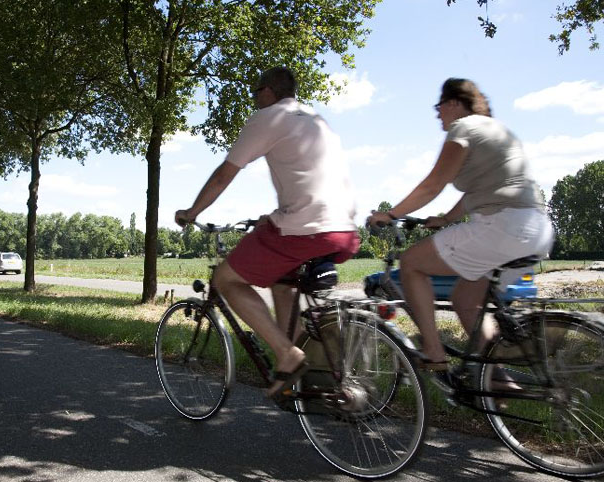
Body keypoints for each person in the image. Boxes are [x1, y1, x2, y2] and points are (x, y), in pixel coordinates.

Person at [175, 66, 359, 398]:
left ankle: (288, 354)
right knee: (281, 280)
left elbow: (224, 174)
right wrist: (273, 217)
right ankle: (304, 373)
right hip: (344, 229)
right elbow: (313, 185)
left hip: (307, 229)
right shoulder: (316, 120)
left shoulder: (269, 117)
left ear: (268, 92)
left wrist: (192, 212)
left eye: (254, 92)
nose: (253, 99)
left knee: (225, 280)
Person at [367, 78, 554, 387]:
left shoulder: (464, 128)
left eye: (439, 107)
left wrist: (390, 215)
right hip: (535, 229)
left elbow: (432, 184)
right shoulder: (497, 131)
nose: (438, 115)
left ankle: (434, 351)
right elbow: (479, 192)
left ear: (454, 103)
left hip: (503, 227)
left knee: (412, 263)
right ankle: (497, 377)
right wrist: (444, 219)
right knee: (465, 299)